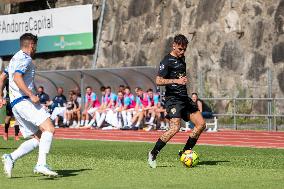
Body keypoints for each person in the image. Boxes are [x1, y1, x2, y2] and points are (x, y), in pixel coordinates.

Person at [1, 33, 57, 177]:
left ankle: (11, 157)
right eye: (36, 45)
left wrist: (1, 96)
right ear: (31, 44)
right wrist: (31, 94)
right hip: (24, 101)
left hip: (16, 104)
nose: (36, 49)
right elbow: (17, 77)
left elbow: (2, 77)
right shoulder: (25, 59)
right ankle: (41, 164)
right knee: (49, 128)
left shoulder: (14, 58)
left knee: (39, 137)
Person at [148, 34, 206, 168]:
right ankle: (153, 152)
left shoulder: (182, 58)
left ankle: (185, 152)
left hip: (184, 98)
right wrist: (176, 81)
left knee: (201, 125)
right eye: (180, 49)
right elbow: (158, 80)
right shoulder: (166, 61)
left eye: (184, 49)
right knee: (175, 128)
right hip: (173, 100)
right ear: (173, 45)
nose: (182, 52)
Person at [0, 69, 20, 141]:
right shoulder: (7, 79)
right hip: (9, 98)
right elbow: (1, 88)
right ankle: (5, 132)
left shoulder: (19, 78)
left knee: (17, 116)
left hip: (18, 98)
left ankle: (16, 135)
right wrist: (2, 98)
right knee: (9, 116)